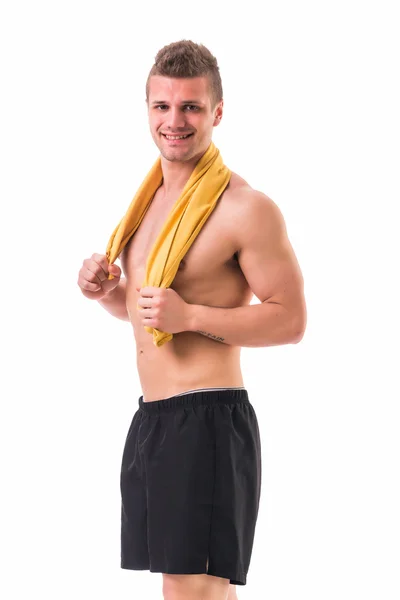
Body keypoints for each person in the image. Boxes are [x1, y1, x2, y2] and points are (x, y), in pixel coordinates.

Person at [77, 40, 306, 600]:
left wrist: (192, 315)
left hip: (205, 421)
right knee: (200, 592)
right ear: (148, 109)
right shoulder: (149, 203)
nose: (174, 121)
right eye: (162, 106)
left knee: (192, 592)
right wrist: (108, 292)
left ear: (217, 113)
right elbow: (145, 312)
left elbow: (291, 320)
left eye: (191, 108)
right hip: (156, 419)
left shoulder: (244, 208)